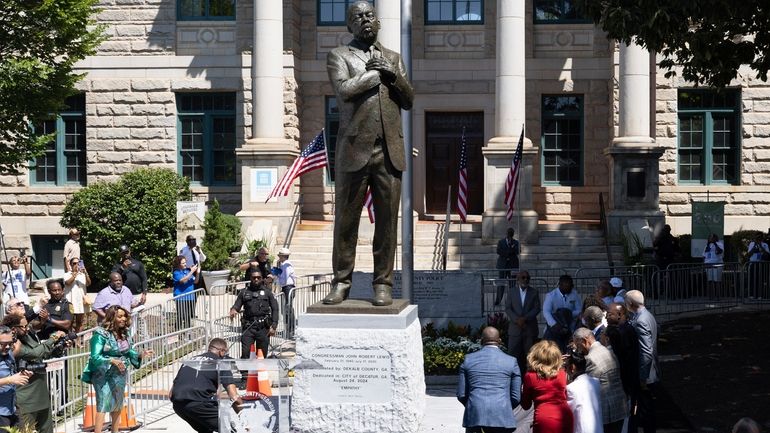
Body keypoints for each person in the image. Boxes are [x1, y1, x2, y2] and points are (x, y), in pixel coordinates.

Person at [323, 0, 414, 307]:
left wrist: (393, 74)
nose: (365, 20)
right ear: (349, 26)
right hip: (354, 150)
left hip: (389, 151)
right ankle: (341, 281)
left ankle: (383, 283)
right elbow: (344, 91)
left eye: (369, 15)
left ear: (378, 21)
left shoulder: (393, 57)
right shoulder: (339, 55)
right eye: (357, 16)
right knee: (346, 222)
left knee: (387, 222)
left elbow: (409, 99)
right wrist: (376, 75)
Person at [81, 306, 153, 433]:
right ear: (112, 317)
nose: (123, 319)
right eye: (120, 316)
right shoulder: (100, 334)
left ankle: (115, 431)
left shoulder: (125, 333)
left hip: (119, 373)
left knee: (117, 405)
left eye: (124, 316)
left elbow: (128, 351)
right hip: (103, 374)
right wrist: (112, 360)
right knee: (103, 405)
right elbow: (95, 357)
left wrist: (140, 354)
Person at [3, 313, 66, 433]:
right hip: (25, 400)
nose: (27, 328)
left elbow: (43, 353)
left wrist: (59, 347)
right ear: (13, 329)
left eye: (27, 325)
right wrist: (53, 338)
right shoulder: (11, 345)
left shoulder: (28, 336)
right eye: (23, 326)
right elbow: (35, 353)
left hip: (41, 396)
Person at [171, 338, 243, 433]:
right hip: (200, 403)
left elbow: (171, 393)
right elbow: (234, 396)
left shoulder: (190, 361)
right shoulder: (221, 363)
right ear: (221, 352)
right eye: (226, 353)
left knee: (205, 429)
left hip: (178, 405)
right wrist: (244, 417)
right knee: (231, 429)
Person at [456, 327, 521, 433]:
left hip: (475, 415)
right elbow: (516, 397)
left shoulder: (468, 359)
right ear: (499, 341)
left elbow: (461, 394)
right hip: (502, 416)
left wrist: (473, 405)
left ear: (481, 341)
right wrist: (505, 408)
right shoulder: (511, 361)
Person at [572, 328, 627, 433]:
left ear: (584, 341)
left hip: (608, 409)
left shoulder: (591, 358)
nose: (579, 350)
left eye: (578, 346)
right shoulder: (605, 349)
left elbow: (588, 386)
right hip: (619, 403)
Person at [520, 340, 573, 433]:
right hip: (565, 415)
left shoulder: (530, 376)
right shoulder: (562, 373)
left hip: (544, 417)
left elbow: (526, 405)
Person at [625, 290, 659, 433]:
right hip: (649, 372)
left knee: (645, 411)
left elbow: (646, 352)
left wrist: (643, 378)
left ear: (630, 303)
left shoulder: (641, 321)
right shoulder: (647, 316)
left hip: (645, 375)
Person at [229, 273, 278, 358]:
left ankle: (259, 370)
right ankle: (244, 371)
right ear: (250, 278)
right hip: (248, 327)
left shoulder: (267, 292)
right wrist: (233, 310)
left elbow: (275, 308)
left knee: (261, 354)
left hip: (263, 328)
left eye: (258, 277)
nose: (256, 279)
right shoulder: (244, 292)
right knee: (246, 352)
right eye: (254, 277)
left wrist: (274, 326)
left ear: (262, 278)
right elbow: (237, 305)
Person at [602, 303, 640, 411]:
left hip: (626, 379)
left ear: (619, 314)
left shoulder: (622, 332)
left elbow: (620, 357)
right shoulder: (622, 329)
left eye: (609, 314)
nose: (606, 317)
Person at [504, 270, 541, 370]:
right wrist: (517, 320)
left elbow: (537, 308)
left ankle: (529, 379)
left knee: (530, 356)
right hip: (515, 329)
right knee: (512, 355)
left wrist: (524, 319)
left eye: (527, 278)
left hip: (529, 329)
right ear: (517, 279)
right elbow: (508, 308)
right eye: (523, 277)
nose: (526, 280)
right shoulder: (512, 292)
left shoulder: (534, 292)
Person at [0, 325, 31, 429]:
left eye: (10, 343)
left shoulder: (8, 353)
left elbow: (10, 372)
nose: (8, 347)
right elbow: (10, 379)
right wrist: (10, 380)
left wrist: (21, 375)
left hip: (12, 407)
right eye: (3, 344)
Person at [565, 350, 602, 433]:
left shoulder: (570, 389)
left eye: (566, 366)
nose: (565, 370)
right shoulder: (596, 382)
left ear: (572, 368)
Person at [543, 275, 582, 352]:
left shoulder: (574, 294)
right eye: (568, 285)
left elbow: (579, 310)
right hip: (554, 327)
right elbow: (546, 311)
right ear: (560, 285)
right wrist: (553, 324)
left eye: (572, 285)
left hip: (570, 326)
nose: (571, 287)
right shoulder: (551, 295)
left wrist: (568, 314)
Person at [62, 256, 91, 338]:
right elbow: (68, 283)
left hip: (80, 301)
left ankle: (77, 340)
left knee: (79, 322)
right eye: (74, 263)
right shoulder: (67, 274)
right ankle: (70, 339)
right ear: (70, 265)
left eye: (78, 263)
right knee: (70, 322)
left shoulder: (82, 274)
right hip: (70, 301)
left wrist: (85, 273)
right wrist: (74, 274)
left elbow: (88, 283)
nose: (76, 265)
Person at [172, 255, 199, 330]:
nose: (185, 264)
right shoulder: (176, 273)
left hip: (190, 297)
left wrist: (197, 273)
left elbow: (196, 281)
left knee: (188, 316)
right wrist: (192, 271)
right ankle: (177, 333)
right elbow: (183, 281)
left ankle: (187, 333)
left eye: (185, 262)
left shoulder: (187, 271)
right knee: (181, 316)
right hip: (180, 298)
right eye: (183, 263)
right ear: (178, 264)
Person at [495, 228, 520, 304]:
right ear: (506, 233)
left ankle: (512, 301)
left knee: (512, 284)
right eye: (509, 233)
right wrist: (509, 251)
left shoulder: (516, 242)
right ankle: (498, 301)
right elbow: (499, 251)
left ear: (513, 234)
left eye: (511, 233)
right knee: (501, 283)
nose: (510, 234)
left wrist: (510, 250)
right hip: (503, 265)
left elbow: (518, 251)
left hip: (513, 265)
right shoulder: (501, 242)